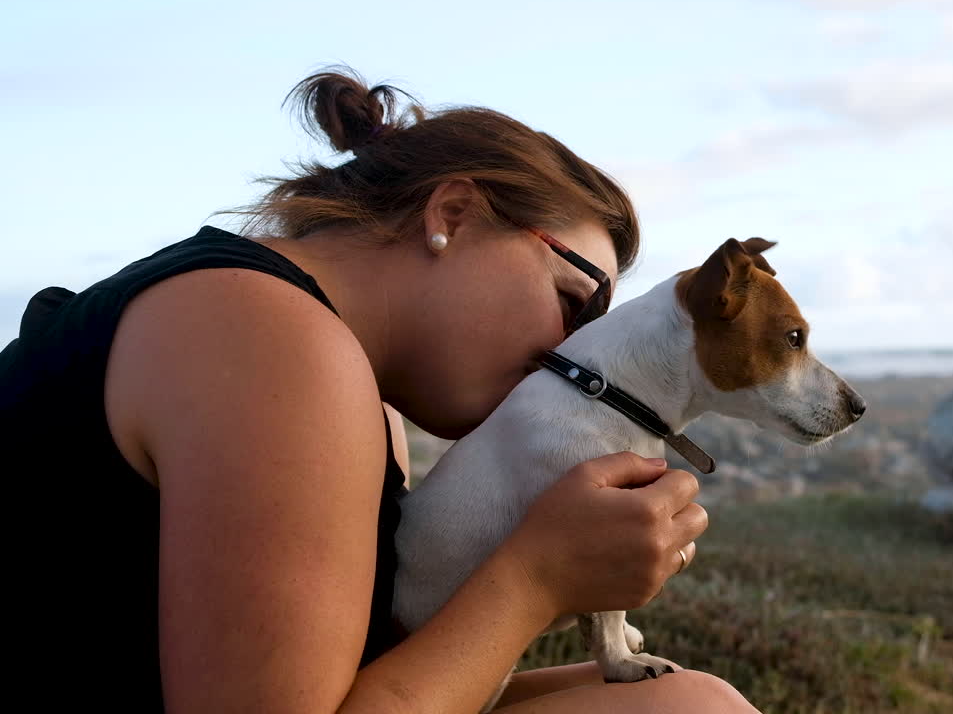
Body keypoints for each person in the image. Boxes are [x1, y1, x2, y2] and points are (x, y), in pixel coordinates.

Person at [1, 68, 760, 713]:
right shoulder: (268, 336)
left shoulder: (354, 397)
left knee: (679, 697)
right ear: (452, 215)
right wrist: (534, 578)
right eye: (574, 302)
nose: (567, 354)